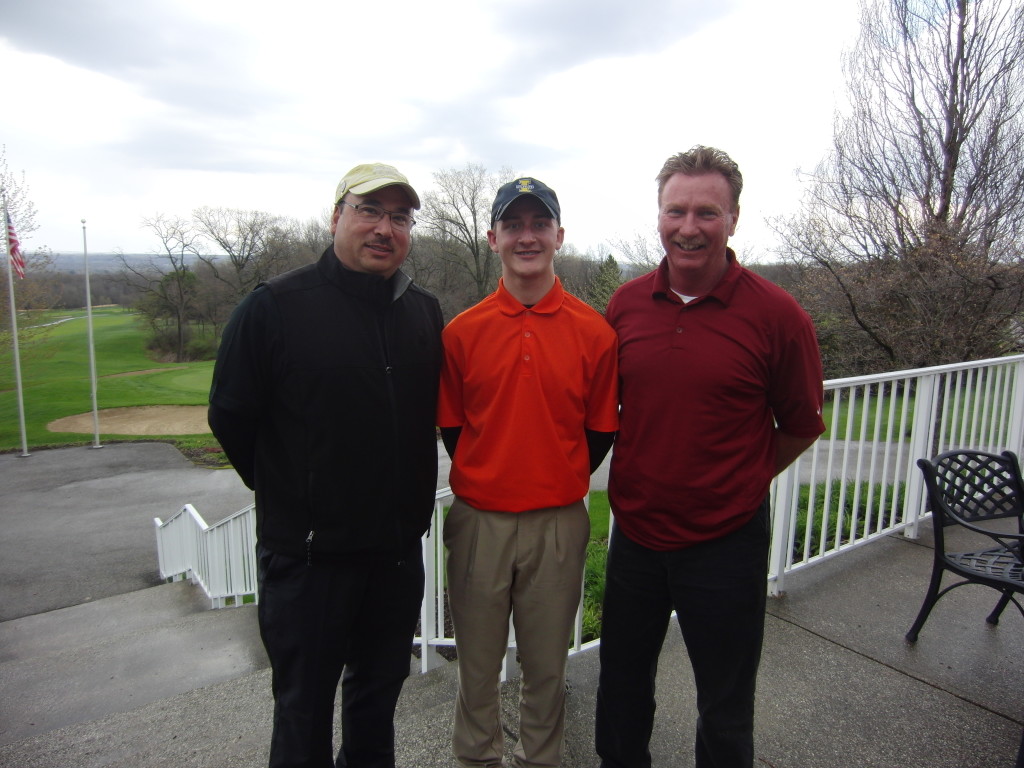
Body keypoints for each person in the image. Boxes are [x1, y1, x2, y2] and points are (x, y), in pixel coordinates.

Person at [595, 146, 826, 768]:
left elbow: (801, 425)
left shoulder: (779, 317)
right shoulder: (625, 306)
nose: (689, 227)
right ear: (659, 216)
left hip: (726, 543)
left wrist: (739, 479)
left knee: (724, 706)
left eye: (706, 212)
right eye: (676, 211)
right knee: (619, 690)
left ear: (734, 218)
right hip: (637, 537)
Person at [208, 163, 443, 768]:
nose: (384, 228)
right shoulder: (275, 308)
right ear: (336, 215)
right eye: (369, 210)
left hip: (392, 558)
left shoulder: (423, 312)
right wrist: (296, 496)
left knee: (375, 709)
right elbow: (230, 417)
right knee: (302, 715)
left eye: (399, 216)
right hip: (308, 564)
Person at [437, 177, 619, 768]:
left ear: (559, 235)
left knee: (546, 669)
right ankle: (477, 759)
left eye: (539, 223)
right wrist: (498, 476)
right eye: (513, 224)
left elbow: (598, 434)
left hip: (558, 525)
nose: (527, 236)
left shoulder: (595, 333)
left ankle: (541, 759)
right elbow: (453, 430)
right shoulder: (462, 332)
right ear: (492, 238)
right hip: (479, 524)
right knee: (478, 668)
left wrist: (548, 476)